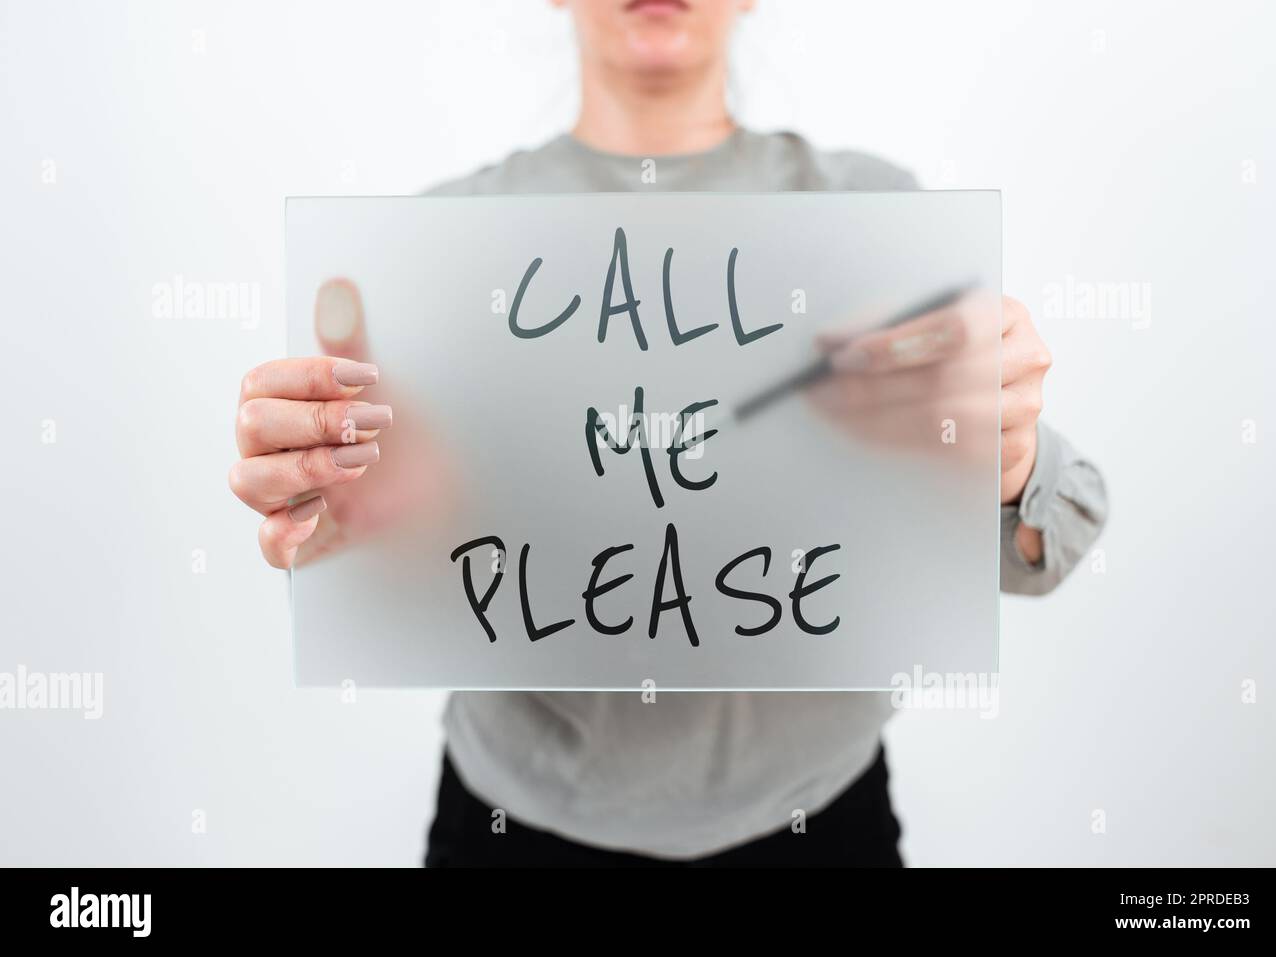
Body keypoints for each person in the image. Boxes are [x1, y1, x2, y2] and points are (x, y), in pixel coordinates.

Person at [228, 0, 1107, 867]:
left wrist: (1006, 455)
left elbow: (1044, 549)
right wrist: (341, 507)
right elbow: (395, 557)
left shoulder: (873, 221)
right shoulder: (435, 253)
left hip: (818, 818)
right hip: (511, 823)